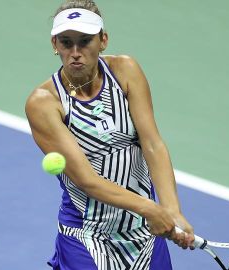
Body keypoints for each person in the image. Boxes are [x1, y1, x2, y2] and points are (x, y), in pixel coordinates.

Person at [25, 1, 195, 269]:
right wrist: (152, 209)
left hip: (144, 234)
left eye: (85, 41)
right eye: (66, 43)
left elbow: (152, 144)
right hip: (87, 237)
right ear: (54, 45)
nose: (76, 52)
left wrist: (172, 210)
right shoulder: (44, 103)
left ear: (103, 40)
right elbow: (87, 180)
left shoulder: (125, 71)